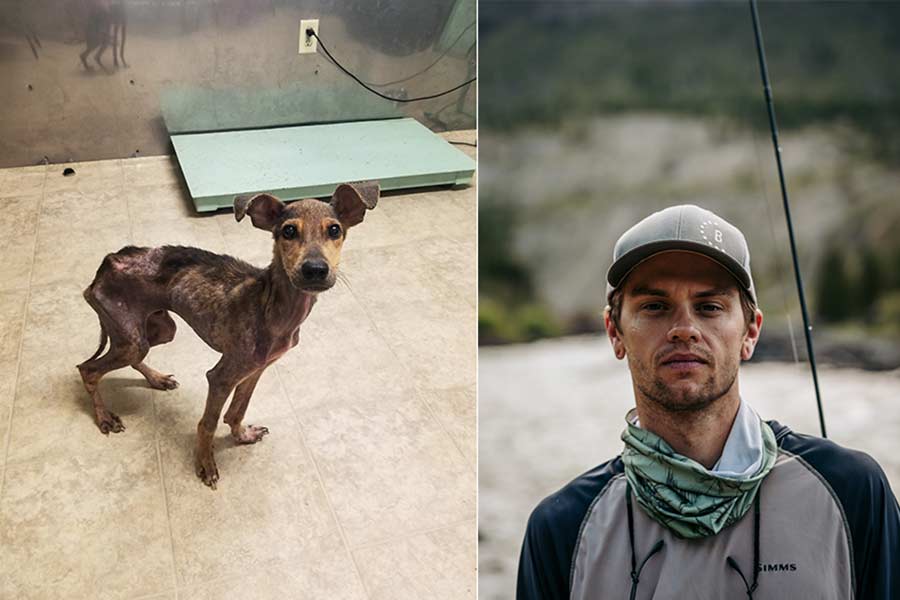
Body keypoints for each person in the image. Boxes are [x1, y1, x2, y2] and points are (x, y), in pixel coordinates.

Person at [516, 204, 900, 599]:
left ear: (750, 331)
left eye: (709, 307)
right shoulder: (561, 530)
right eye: (655, 306)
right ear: (615, 332)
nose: (684, 329)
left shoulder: (853, 493)